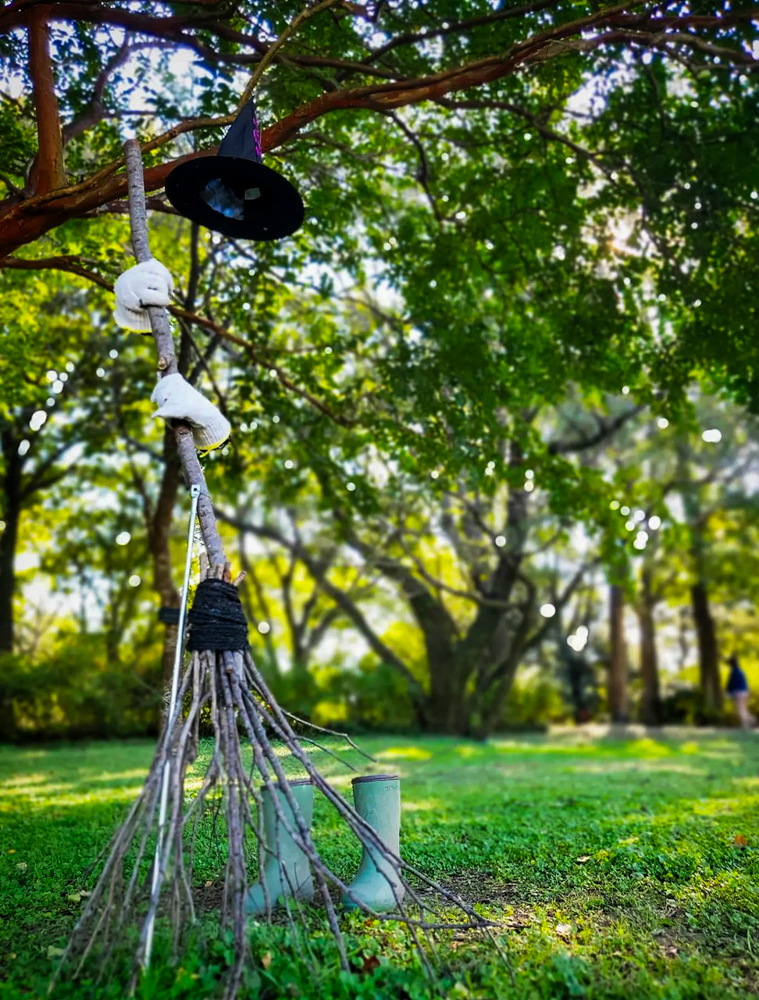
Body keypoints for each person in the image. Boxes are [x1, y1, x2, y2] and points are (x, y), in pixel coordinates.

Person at [726, 655, 756, 729]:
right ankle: (752, 720)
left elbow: (731, 684)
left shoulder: (734, 672)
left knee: (740, 709)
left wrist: (727, 692)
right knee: (743, 708)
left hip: (738, 693)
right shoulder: (741, 671)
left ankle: (745, 725)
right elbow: (745, 683)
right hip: (745, 691)